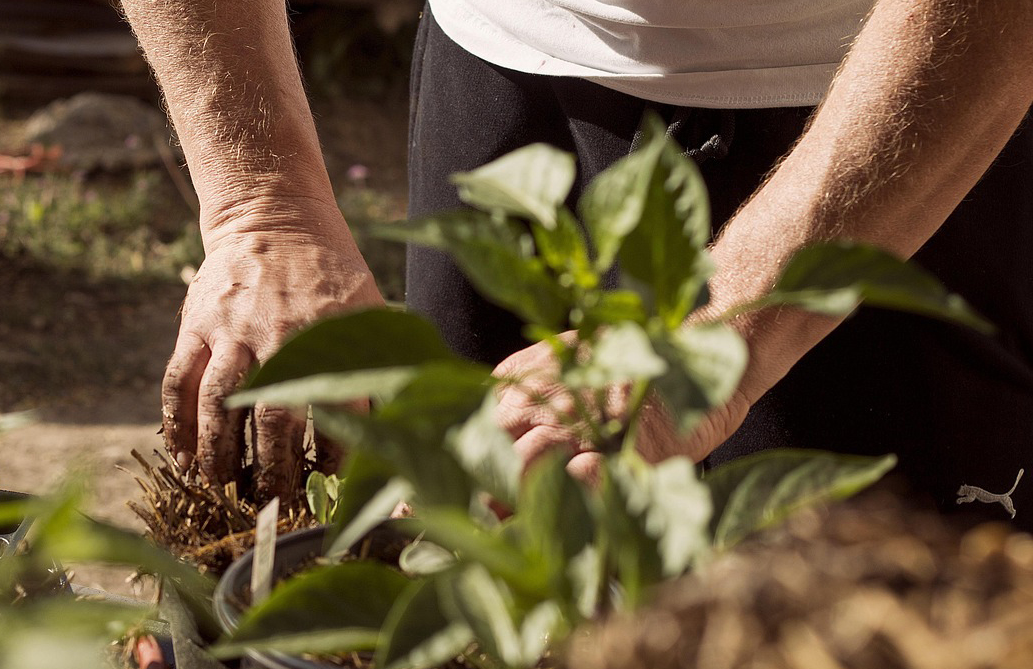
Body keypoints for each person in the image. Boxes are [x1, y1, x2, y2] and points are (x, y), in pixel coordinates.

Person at [118, 0, 1033, 525]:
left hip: (893, 120)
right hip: (500, 83)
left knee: (835, 665)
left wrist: (719, 332)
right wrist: (262, 200)